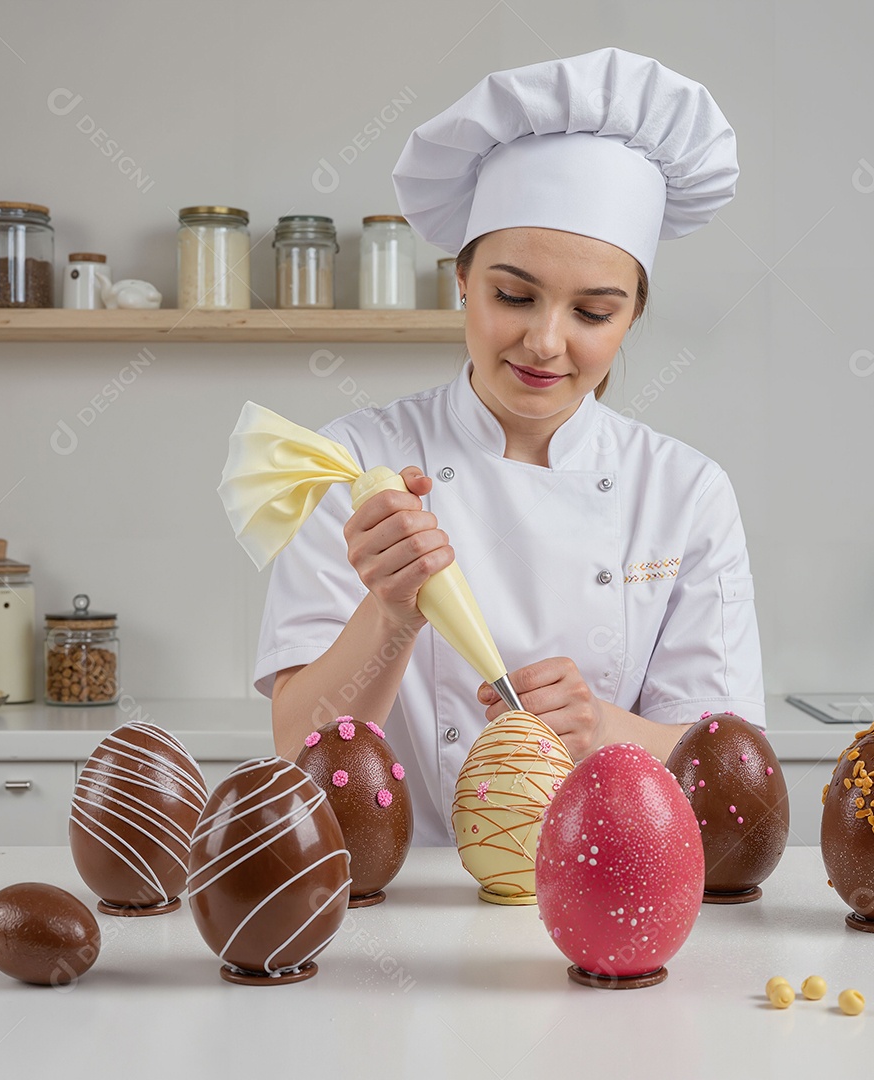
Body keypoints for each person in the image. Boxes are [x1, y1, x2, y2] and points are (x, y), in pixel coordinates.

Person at [255, 48, 764, 846]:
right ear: (462, 277)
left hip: (611, 884)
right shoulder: (357, 464)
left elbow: (731, 771)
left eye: (593, 313)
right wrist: (391, 615)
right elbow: (298, 751)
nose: (546, 342)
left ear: (632, 315)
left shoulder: (684, 492)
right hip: (405, 893)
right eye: (514, 295)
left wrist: (606, 730)